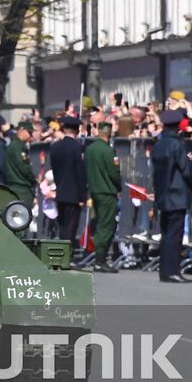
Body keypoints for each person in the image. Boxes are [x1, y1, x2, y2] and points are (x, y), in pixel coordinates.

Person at [151, 109, 192, 283]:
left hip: (163, 193)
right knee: (174, 235)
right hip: (177, 194)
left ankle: (165, 270)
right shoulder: (178, 145)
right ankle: (172, 271)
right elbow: (187, 171)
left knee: (166, 234)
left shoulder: (159, 144)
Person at [85, 120, 123, 273]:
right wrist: (119, 186)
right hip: (107, 191)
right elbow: (113, 173)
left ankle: (99, 259)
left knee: (100, 223)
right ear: (110, 133)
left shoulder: (90, 149)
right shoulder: (108, 151)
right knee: (107, 226)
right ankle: (100, 260)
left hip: (95, 190)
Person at [48, 114, 86, 243]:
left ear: (64, 129)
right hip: (73, 194)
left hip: (61, 191)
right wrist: (82, 196)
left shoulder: (55, 147)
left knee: (63, 226)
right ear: (77, 130)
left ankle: (61, 254)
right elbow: (80, 173)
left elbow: (55, 170)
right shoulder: (77, 148)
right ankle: (67, 256)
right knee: (71, 227)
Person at [4, 120, 37, 210]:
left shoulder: (16, 145)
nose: (31, 136)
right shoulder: (18, 147)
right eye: (29, 133)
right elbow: (24, 168)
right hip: (21, 189)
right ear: (21, 130)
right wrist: (34, 180)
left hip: (16, 188)